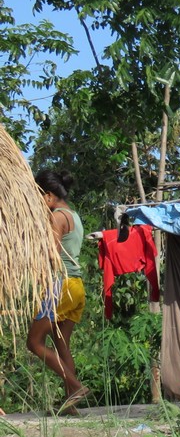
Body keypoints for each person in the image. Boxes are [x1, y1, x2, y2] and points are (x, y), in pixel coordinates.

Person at [28, 169, 88, 413]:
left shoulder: (57, 217)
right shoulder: (74, 216)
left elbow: (51, 255)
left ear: (49, 196)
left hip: (60, 286)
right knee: (62, 346)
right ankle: (70, 405)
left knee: (34, 343)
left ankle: (76, 387)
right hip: (76, 286)